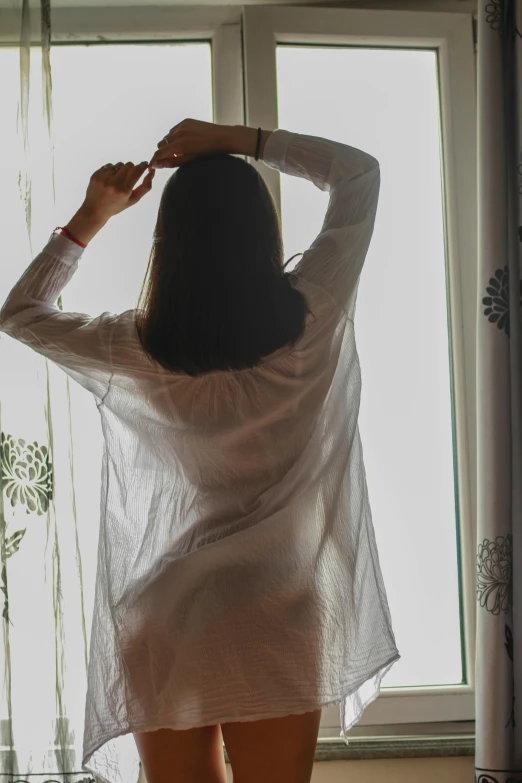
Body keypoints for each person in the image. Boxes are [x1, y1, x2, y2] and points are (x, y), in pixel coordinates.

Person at [0, 120, 400, 783]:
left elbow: (22, 314)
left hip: (165, 616)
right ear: (262, 233)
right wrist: (240, 139)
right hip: (280, 612)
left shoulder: (136, 346)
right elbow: (359, 174)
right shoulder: (316, 310)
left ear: (170, 245)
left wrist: (91, 215)